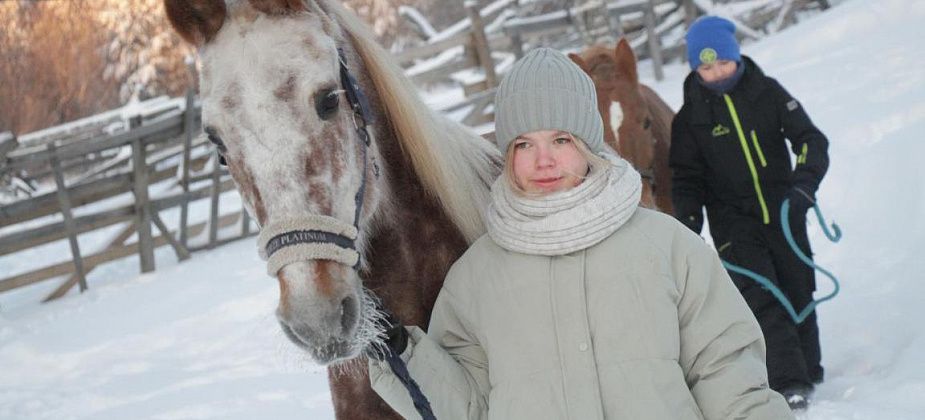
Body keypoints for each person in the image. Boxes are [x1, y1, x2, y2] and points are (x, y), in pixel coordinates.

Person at [366, 47, 793, 419]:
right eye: (523, 144)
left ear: (589, 143)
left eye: (561, 140)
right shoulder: (474, 279)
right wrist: (402, 356)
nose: (543, 161)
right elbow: (468, 409)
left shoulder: (669, 247)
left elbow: (730, 378)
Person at [669, 16, 830, 410]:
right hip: (732, 223)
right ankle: (787, 380)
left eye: (722, 63)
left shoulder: (768, 92)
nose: (716, 73)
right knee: (763, 298)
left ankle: (809, 367)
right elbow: (686, 179)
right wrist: (689, 225)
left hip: (784, 210)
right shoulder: (689, 118)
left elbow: (811, 140)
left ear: (736, 57)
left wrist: (803, 187)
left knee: (797, 288)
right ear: (695, 68)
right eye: (705, 67)